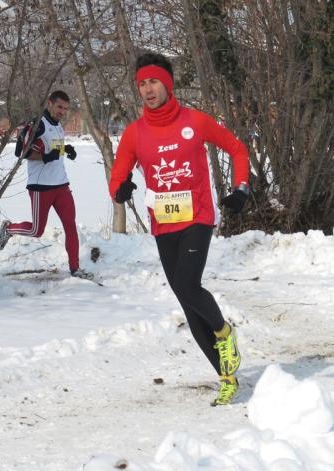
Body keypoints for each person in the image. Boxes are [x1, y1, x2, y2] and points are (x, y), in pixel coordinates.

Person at [109, 53, 250, 405]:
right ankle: (227, 375)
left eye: (153, 82)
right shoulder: (134, 133)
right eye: (141, 84)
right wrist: (120, 190)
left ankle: (224, 332)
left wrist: (241, 188)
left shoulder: (194, 121)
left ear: (167, 85)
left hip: (198, 217)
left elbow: (236, 148)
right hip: (164, 224)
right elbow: (118, 174)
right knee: (186, 301)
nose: (147, 89)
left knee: (188, 284)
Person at [0, 90, 92, 279]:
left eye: (65, 108)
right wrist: (46, 157)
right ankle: (8, 229)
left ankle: (75, 269)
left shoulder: (58, 126)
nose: (62, 111)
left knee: (70, 226)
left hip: (62, 184)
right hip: (41, 187)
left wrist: (66, 149)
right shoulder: (37, 125)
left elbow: (52, 147)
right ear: (49, 104)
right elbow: (20, 152)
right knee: (36, 230)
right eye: (59, 107)